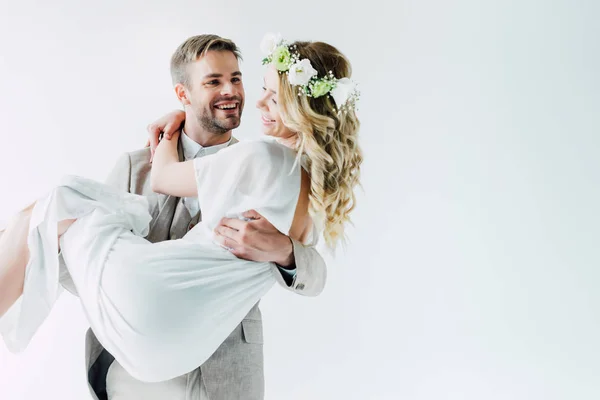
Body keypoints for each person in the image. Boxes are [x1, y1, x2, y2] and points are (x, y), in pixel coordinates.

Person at [0, 33, 362, 400]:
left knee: (50, 209)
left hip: (216, 372)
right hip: (132, 368)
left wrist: (285, 252)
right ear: (182, 95)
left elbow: (314, 275)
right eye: (214, 82)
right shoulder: (136, 165)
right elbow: (86, 270)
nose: (235, 92)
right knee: (44, 220)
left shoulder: (257, 159)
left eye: (236, 78)